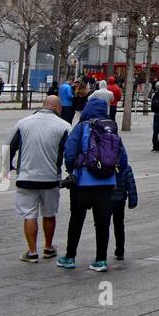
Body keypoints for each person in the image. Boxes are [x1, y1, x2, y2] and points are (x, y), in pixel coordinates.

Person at [57, 91, 127, 272]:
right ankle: (100, 260)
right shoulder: (111, 127)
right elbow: (122, 157)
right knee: (102, 223)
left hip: (82, 182)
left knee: (76, 220)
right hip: (106, 183)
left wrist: (72, 169)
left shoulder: (81, 127)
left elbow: (70, 151)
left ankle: (70, 257)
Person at [8, 95, 72, 263]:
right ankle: (48, 247)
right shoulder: (64, 126)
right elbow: (70, 153)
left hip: (26, 177)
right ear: (58, 108)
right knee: (49, 214)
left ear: (43, 105)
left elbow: (10, 148)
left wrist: (9, 166)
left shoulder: (23, 123)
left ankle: (32, 251)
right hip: (51, 179)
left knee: (29, 215)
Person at [108, 152, 139, 261]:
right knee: (119, 226)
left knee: (103, 226)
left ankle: (102, 251)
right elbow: (131, 185)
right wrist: (133, 201)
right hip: (120, 200)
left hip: (106, 200)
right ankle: (120, 250)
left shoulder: (105, 165)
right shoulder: (126, 166)